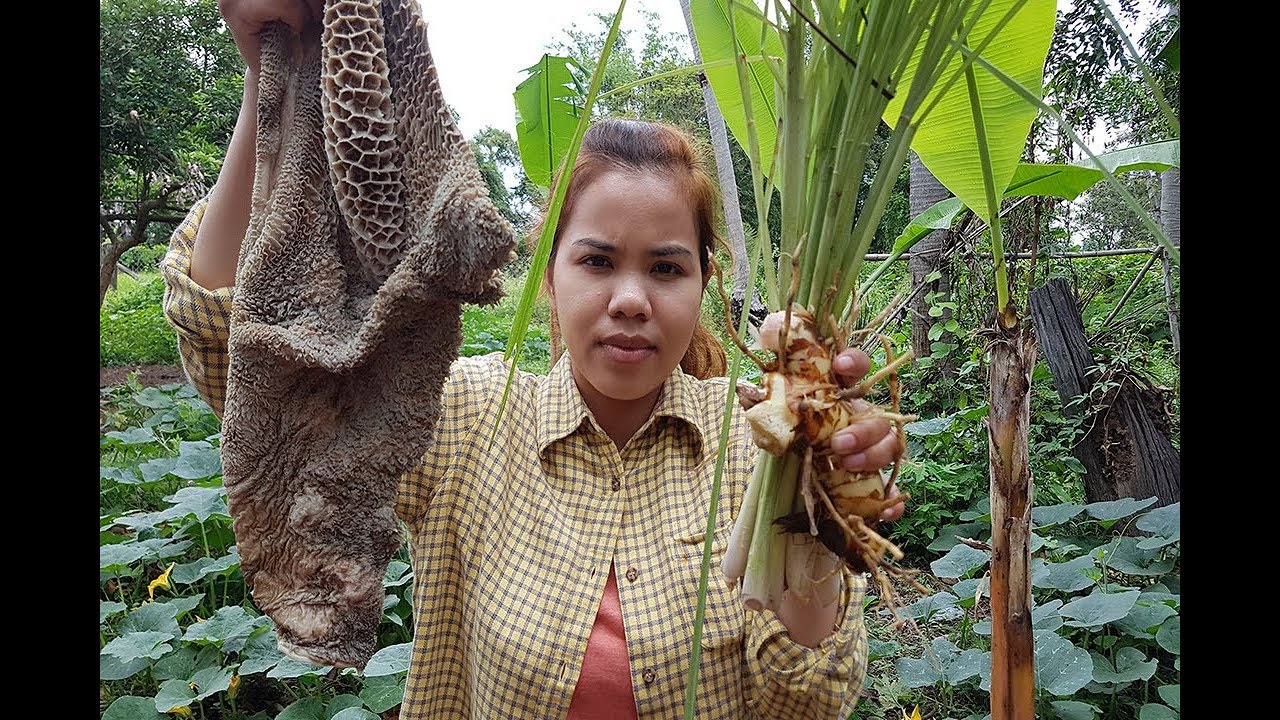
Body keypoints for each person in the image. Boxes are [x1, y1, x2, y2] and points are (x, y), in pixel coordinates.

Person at [164, 2, 906, 717]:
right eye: (598, 261)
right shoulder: (465, 420)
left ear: (706, 284)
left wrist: (817, 508)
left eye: (667, 269)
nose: (630, 299)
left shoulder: (757, 448)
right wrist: (272, 71)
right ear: (549, 277)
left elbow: (807, 704)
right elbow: (241, 359)